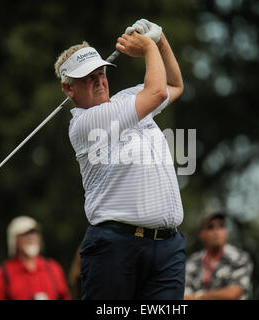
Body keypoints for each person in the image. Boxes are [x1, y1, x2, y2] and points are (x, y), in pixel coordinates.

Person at [54, 18, 185, 299]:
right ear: (68, 89)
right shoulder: (85, 123)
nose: (99, 81)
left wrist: (161, 40)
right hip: (116, 247)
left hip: (167, 248)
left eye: (102, 73)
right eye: (89, 77)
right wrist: (149, 47)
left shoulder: (128, 99)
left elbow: (174, 84)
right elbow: (158, 91)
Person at [0, 216, 71, 300]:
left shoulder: (53, 268)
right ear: (14, 240)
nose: (31, 238)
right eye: (25, 234)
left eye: (34, 233)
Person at [184, 211, 253, 300]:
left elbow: (234, 293)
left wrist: (200, 296)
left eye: (221, 226)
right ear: (201, 233)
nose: (217, 231)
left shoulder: (239, 258)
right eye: (210, 227)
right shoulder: (192, 262)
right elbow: (185, 296)